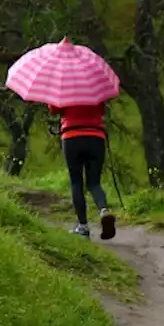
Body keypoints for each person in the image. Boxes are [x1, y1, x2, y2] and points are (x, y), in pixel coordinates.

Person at [48, 101, 116, 240]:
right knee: (94, 183)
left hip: (71, 137)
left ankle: (83, 227)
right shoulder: (93, 85)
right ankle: (103, 210)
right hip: (96, 137)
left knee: (76, 182)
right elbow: (101, 110)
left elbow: (54, 109)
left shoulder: (64, 87)